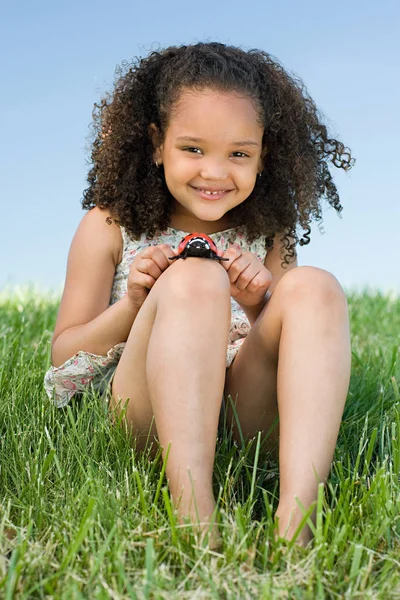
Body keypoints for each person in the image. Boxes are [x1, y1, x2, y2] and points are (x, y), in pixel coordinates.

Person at [44, 42, 353, 548]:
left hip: (242, 418)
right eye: (193, 149)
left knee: (315, 288)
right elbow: (63, 357)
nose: (214, 172)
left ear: (263, 156)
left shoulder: (270, 232)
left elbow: (290, 344)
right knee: (194, 276)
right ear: (155, 144)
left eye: (238, 154)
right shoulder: (108, 227)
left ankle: (299, 522)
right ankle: (195, 519)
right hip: (149, 417)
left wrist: (257, 305)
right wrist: (133, 306)